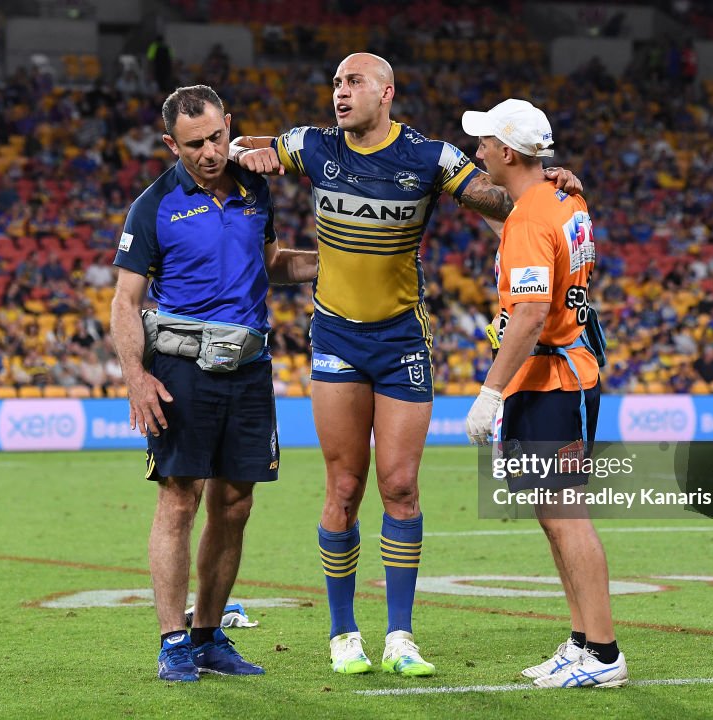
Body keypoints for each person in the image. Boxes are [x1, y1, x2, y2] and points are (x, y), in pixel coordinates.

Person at [228, 53, 584, 677]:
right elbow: (249, 146)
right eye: (335, 81)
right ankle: (343, 633)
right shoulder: (311, 146)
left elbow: (499, 198)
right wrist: (241, 148)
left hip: (401, 344)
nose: (340, 92)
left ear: (386, 92)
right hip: (336, 337)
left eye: (353, 82)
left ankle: (400, 635)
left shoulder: (430, 157)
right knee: (343, 487)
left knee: (400, 487)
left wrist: (550, 181)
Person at [110, 85, 317, 683]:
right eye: (194, 144)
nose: (209, 152)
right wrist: (136, 377)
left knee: (236, 503)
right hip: (181, 366)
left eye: (217, 137)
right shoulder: (152, 206)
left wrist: (339, 259)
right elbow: (126, 302)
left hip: (249, 365)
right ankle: (173, 641)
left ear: (230, 124)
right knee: (180, 499)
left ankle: (207, 635)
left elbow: (273, 265)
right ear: (172, 143)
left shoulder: (255, 186)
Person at [461, 99, 627, 688]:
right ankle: (584, 641)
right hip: (560, 376)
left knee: (565, 515)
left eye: (484, 142)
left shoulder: (534, 215)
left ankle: (604, 654)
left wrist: (490, 392)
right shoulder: (563, 197)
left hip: (553, 379)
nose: (478, 151)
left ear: (508, 152)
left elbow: (530, 314)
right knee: (554, 516)